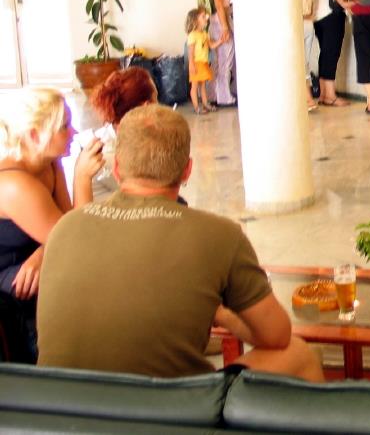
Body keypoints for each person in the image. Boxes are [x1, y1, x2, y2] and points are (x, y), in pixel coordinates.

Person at [36, 104, 325, 382]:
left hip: (52, 406)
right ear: (187, 170)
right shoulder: (219, 235)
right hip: (169, 406)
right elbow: (277, 335)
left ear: (117, 168)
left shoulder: (65, 227)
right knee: (299, 354)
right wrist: (222, 314)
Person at [0, 88, 103, 359]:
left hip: (31, 260)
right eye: (64, 127)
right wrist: (82, 178)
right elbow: (75, 241)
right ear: (35, 135)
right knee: (83, 272)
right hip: (9, 274)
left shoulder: (49, 163)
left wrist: (42, 253)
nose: (74, 132)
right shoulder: (14, 184)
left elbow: (67, 221)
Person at [90, 67, 159, 196]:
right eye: (156, 98)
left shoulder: (118, 134)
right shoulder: (108, 154)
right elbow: (153, 194)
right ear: (146, 106)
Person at [311, 0, 350, 107]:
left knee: (324, 54)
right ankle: (331, 95)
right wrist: (342, 1)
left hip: (317, 17)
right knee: (332, 54)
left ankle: (323, 94)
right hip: (331, 14)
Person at [198, 0, 237, 107]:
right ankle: (225, 96)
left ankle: (214, 93)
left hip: (213, 24)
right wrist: (225, 27)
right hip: (220, 23)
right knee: (226, 60)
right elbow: (220, 6)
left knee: (218, 60)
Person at [185, 8, 223, 114]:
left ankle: (206, 104)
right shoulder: (192, 35)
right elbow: (191, 52)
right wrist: (191, 64)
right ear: (195, 20)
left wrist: (221, 40)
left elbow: (211, 45)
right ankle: (197, 107)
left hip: (203, 63)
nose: (206, 18)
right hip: (196, 63)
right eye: (203, 16)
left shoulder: (204, 34)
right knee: (194, 86)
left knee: (202, 86)